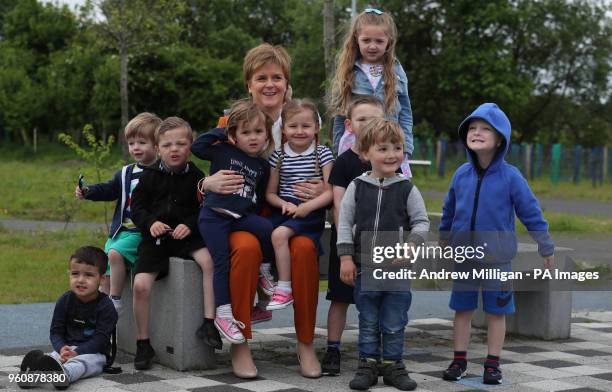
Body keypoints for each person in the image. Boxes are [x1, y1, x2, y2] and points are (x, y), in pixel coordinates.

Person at [198, 43, 324, 379]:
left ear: (287, 83)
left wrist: (323, 188)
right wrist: (205, 185)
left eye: (277, 77)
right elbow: (207, 161)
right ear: (249, 85)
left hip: (292, 212)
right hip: (244, 214)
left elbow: (327, 165)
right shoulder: (233, 121)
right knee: (245, 249)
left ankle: (306, 343)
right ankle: (240, 344)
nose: (270, 84)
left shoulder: (301, 118)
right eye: (261, 78)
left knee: (304, 250)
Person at [439, 103, 554, 385]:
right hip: (464, 256)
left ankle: (493, 364)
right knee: (462, 310)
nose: (476, 133)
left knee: (496, 312)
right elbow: (449, 210)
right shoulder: (460, 174)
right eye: (472, 128)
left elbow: (531, 212)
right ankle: (459, 360)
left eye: (485, 129)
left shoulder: (511, 176)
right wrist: (444, 238)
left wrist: (545, 245)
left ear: (500, 138)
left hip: (498, 259)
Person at [337, 119, 429, 391]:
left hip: (397, 270)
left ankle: (393, 366)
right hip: (365, 267)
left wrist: (410, 245)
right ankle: (367, 365)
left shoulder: (407, 188)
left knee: (393, 321)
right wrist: (345, 258)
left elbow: (422, 222)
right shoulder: (357, 186)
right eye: (383, 148)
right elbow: (344, 222)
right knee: (367, 321)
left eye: (397, 148)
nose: (391, 154)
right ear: (366, 153)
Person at [130, 117, 218, 370]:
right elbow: (136, 209)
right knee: (140, 285)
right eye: (167, 145)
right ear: (158, 149)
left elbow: (205, 207)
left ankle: (209, 322)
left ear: (190, 145)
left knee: (208, 262)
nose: (174, 149)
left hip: (186, 236)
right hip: (156, 238)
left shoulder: (197, 177)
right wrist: (150, 223)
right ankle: (143, 342)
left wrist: (190, 223)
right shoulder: (148, 177)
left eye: (181, 143)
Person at [192, 100, 275, 344]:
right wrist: (225, 128)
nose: (252, 138)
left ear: (267, 135)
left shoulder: (262, 165)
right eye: (245, 132)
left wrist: (250, 213)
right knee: (222, 264)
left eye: (258, 132)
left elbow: (258, 197)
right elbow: (198, 146)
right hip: (214, 217)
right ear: (234, 135)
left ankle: (264, 270)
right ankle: (224, 315)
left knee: (266, 228)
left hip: (242, 217)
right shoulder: (222, 150)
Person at [322, 95, 385, 376]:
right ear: (349, 125)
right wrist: (345, 247)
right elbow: (338, 205)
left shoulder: (387, 160)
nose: (369, 124)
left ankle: (371, 351)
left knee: (376, 299)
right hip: (347, 244)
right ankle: (333, 348)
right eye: (362, 119)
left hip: (379, 244)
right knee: (341, 297)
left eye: (375, 119)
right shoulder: (344, 163)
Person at [75, 113, 160, 314]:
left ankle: (115, 301)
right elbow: (110, 189)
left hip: (142, 231)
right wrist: (88, 191)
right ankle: (102, 305)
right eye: (131, 143)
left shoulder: (161, 173)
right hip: (119, 231)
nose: (136, 148)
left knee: (115, 254)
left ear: (157, 145)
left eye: (142, 142)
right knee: (105, 263)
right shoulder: (126, 172)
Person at [265, 99, 334, 310]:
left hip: (309, 211)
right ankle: (264, 273)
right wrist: (283, 203)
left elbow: (330, 192)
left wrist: (306, 207)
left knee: (278, 235)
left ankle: (284, 288)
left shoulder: (322, 153)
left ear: (316, 127)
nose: (299, 131)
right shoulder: (278, 156)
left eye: (306, 126)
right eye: (293, 126)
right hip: (285, 209)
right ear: (283, 129)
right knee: (261, 229)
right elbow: (270, 193)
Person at [18, 246, 118, 390]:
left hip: (94, 353)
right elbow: (56, 332)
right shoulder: (65, 300)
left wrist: (77, 352)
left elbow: (100, 340)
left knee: (82, 363)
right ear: (69, 274)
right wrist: (61, 348)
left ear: (102, 279)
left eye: (88, 275)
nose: (81, 280)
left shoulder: (106, 306)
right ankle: (33, 376)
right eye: (75, 274)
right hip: (66, 349)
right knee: (52, 358)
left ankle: (65, 375)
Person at [329, 8, 413, 176]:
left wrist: (406, 147)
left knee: (390, 192)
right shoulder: (348, 71)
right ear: (356, 40)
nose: (372, 46)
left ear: (388, 42)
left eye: (379, 41)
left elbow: (405, 112)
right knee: (354, 190)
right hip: (355, 146)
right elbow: (340, 114)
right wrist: (337, 149)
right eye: (366, 40)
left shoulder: (396, 70)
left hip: (388, 144)